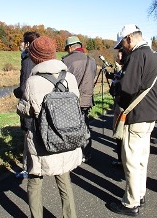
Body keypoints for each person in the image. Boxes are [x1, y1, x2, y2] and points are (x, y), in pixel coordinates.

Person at [16, 36, 82, 218]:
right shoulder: (69, 77)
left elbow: (25, 110)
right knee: (64, 180)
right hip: (65, 136)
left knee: (35, 181)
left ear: (35, 57)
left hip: (41, 140)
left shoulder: (33, 81)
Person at [107, 24, 157, 216]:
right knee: (141, 159)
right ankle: (140, 193)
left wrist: (115, 86)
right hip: (150, 114)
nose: (122, 48)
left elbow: (127, 88)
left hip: (136, 115)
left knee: (130, 160)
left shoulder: (137, 56)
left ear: (129, 38)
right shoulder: (155, 56)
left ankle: (130, 203)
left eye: (122, 43)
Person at [62, 36, 97, 162]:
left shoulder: (66, 61)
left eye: (67, 48)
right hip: (87, 101)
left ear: (71, 47)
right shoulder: (92, 60)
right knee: (85, 126)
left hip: (71, 101)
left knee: (69, 129)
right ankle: (86, 154)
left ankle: (72, 156)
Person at [14, 31, 39, 179]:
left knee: (29, 136)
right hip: (39, 103)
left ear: (28, 44)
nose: (20, 44)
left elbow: (25, 87)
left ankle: (28, 169)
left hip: (29, 104)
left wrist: (16, 92)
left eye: (23, 41)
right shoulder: (39, 58)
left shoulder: (28, 60)